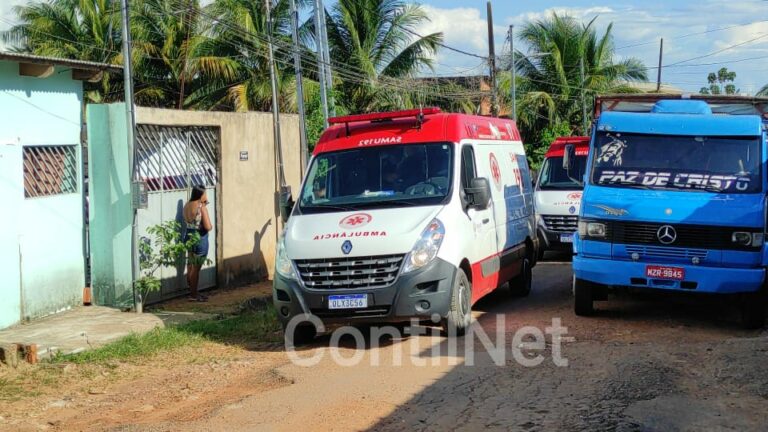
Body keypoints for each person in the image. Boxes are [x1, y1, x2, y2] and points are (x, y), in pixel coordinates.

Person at [183, 185, 213, 302]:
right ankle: (193, 295)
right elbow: (208, 226)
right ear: (201, 194)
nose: (206, 195)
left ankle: (193, 292)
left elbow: (191, 220)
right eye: (205, 193)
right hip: (200, 238)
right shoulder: (201, 207)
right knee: (196, 268)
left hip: (189, 236)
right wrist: (204, 208)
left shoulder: (187, 205)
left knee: (190, 265)